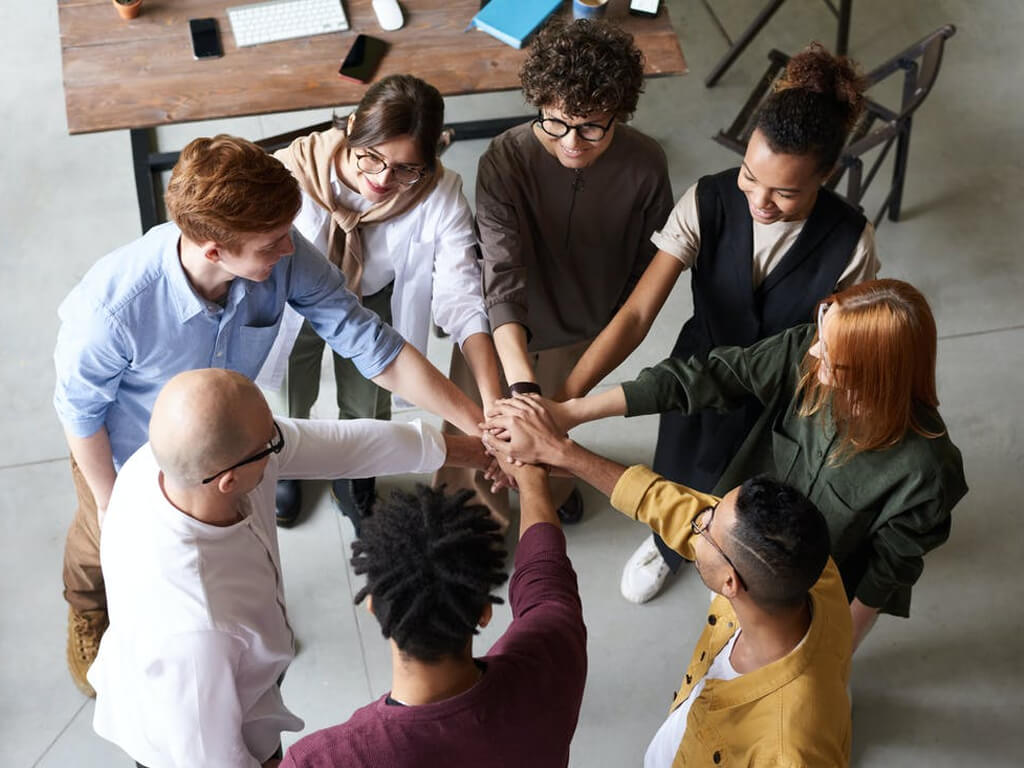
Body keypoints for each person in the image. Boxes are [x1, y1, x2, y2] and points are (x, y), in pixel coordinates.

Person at [53, 134, 486, 697]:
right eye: (272, 243)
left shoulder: (282, 253)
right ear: (212, 249)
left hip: (229, 444)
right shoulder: (111, 309)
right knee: (97, 547)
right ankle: (87, 609)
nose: (290, 250)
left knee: (223, 552)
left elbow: (370, 342)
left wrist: (478, 423)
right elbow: (79, 413)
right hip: (124, 451)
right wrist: (115, 510)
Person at [558, 42, 879, 603]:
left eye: (785, 191)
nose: (760, 200)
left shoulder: (851, 240)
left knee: (758, 493)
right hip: (697, 373)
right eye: (751, 176)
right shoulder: (707, 199)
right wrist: (566, 401)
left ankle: (732, 558)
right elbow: (636, 314)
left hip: (783, 393)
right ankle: (667, 544)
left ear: (826, 176)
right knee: (681, 465)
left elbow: (842, 345)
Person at [490, 279, 968, 650]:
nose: (815, 352)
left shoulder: (927, 472)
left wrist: (835, 650)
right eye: (822, 333)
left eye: (835, 360)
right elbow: (707, 377)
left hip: (809, 593)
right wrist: (570, 412)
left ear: (878, 376)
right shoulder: (809, 350)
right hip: (733, 537)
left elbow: (886, 574)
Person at [89, 369, 491, 768]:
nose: (280, 441)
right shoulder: (200, 630)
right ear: (229, 480)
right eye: (270, 441)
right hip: (191, 735)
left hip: (237, 673)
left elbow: (343, 446)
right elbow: (211, 757)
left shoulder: (176, 463)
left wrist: (475, 451)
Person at [481, 396, 852, 767]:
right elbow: (673, 505)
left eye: (705, 528)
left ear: (730, 583)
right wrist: (564, 454)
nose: (697, 520)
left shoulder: (791, 750)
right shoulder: (809, 570)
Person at [260, 74, 504, 529]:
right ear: (352, 127)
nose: (382, 180)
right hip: (297, 300)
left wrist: (491, 404)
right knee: (291, 388)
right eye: (371, 158)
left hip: (375, 298)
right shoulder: (292, 169)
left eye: (405, 169)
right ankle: (289, 457)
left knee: (370, 401)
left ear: (428, 162)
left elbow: (461, 295)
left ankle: (355, 472)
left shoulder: (439, 193)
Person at [473, 17, 674, 524]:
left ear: (619, 114)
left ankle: (552, 495)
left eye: (591, 127)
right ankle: (482, 519)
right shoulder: (504, 159)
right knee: (484, 430)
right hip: (502, 327)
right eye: (555, 123)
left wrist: (550, 412)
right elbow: (500, 275)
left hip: (582, 326)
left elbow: (643, 277)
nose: (571, 143)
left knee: (557, 432)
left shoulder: (646, 165)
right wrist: (523, 393)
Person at [280, 457, 586, 766]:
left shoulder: (317, 761)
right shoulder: (555, 653)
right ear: (484, 612)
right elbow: (546, 575)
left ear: (373, 607)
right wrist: (532, 479)